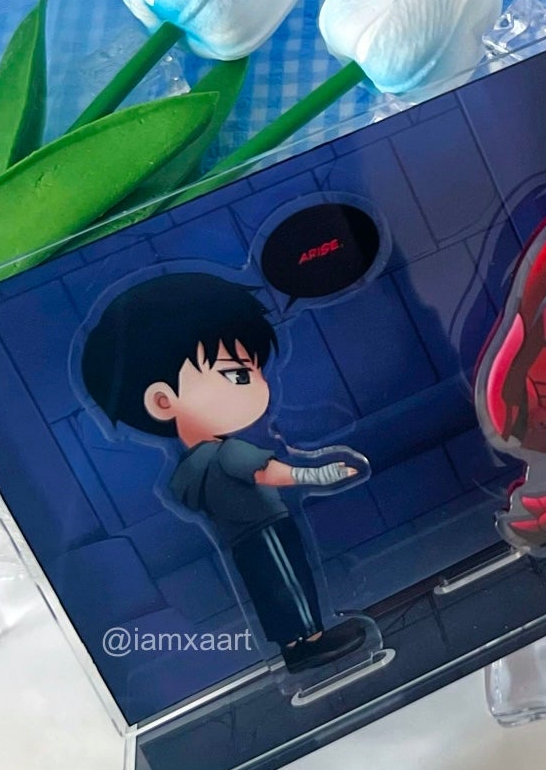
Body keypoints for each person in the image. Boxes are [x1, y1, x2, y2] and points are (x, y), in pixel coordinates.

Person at [80, 272, 370, 673]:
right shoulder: (230, 452)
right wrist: (322, 475)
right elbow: (272, 474)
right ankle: (313, 640)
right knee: (290, 581)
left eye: (256, 371)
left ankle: (292, 647)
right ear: (163, 400)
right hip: (267, 529)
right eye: (238, 374)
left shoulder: (188, 469)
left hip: (240, 541)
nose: (261, 386)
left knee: (268, 592)